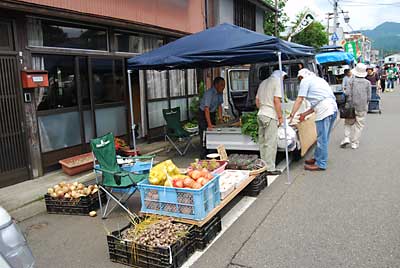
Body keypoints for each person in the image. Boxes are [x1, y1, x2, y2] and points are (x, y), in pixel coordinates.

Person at [289, 69, 338, 171]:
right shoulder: (319, 80)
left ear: (301, 77)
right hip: (332, 108)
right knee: (324, 137)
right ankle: (317, 158)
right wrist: (304, 114)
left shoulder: (305, 81)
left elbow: (299, 99)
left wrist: (292, 114)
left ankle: (321, 164)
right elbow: (317, 103)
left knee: (321, 139)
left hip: (324, 111)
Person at [256, 70, 286, 175]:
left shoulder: (263, 83)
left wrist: (263, 109)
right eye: (283, 78)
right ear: (280, 76)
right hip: (270, 115)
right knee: (271, 143)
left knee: (262, 142)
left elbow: (257, 101)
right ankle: (270, 168)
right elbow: (276, 100)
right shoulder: (276, 82)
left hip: (260, 114)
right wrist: (280, 116)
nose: (282, 80)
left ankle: (263, 166)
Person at [340, 63, 371, 149]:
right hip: (362, 107)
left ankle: (346, 138)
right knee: (359, 125)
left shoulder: (351, 81)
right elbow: (369, 97)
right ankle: (354, 143)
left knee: (348, 123)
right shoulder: (367, 83)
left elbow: (347, 93)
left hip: (351, 106)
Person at [198, 77, 225, 158]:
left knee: (213, 133)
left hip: (212, 113)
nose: (223, 87)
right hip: (203, 114)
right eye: (222, 85)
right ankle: (203, 155)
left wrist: (220, 118)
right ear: (216, 85)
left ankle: (212, 153)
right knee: (205, 134)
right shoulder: (209, 93)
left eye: (224, 85)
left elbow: (219, 105)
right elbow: (206, 109)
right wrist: (209, 124)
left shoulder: (220, 93)